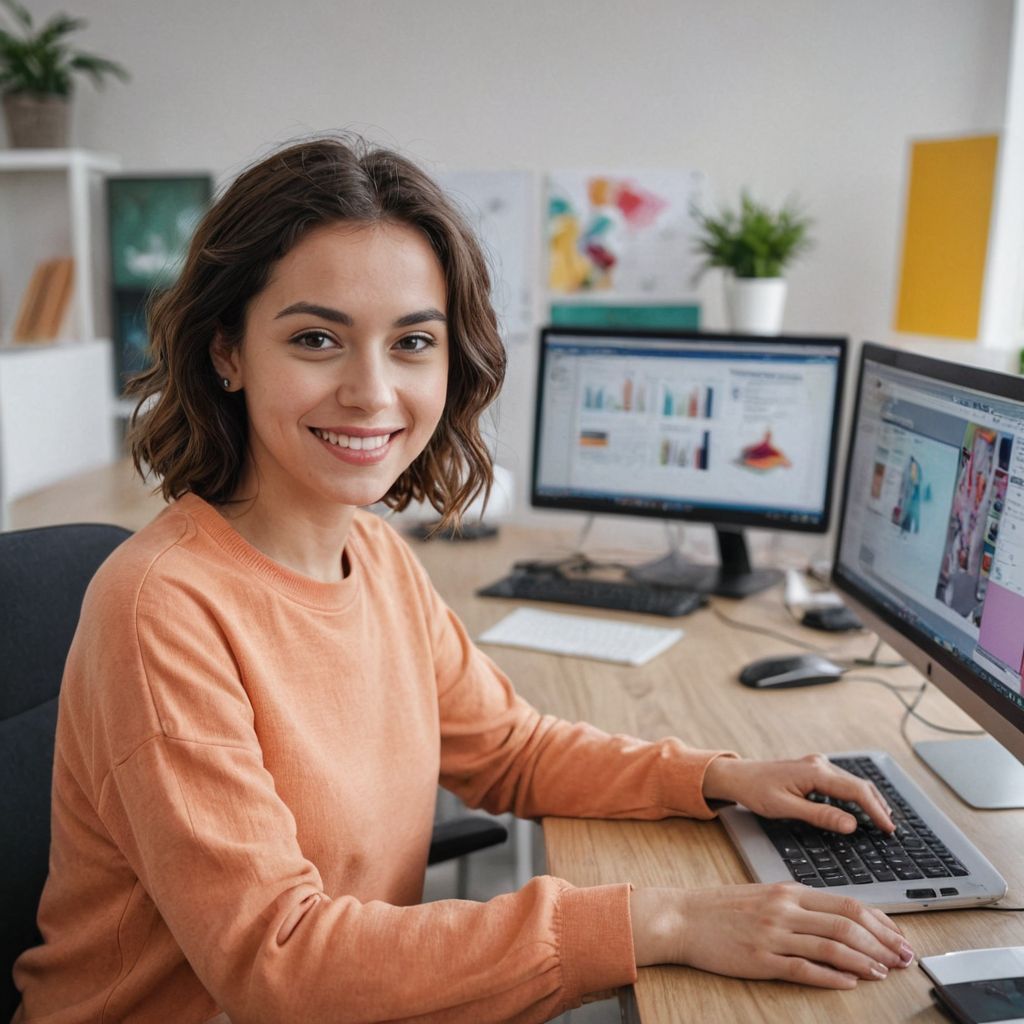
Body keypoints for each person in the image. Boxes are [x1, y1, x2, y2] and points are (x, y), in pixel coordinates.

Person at [13, 135, 914, 1024]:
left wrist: (720, 777)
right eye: (318, 337)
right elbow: (276, 962)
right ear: (228, 353)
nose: (372, 392)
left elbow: (511, 751)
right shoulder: (163, 606)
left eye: (411, 342)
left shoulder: (374, 556)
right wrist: (663, 918)